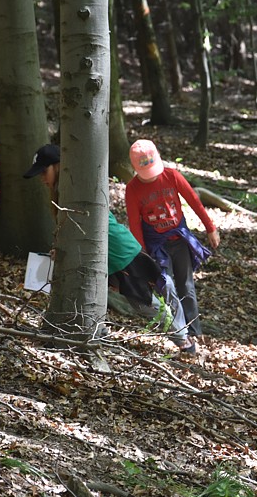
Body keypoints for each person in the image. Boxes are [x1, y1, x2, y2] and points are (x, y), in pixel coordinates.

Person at [23, 144, 196, 353]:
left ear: (58, 166)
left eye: (44, 171)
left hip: (121, 252)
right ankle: (177, 336)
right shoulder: (62, 194)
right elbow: (70, 230)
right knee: (153, 294)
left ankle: (182, 338)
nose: (42, 178)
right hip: (112, 256)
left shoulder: (75, 190)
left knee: (151, 299)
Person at [125, 139, 220, 346]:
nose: (152, 177)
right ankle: (180, 334)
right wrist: (143, 254)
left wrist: (210, 228)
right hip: (156, 246)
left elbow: (194, 201)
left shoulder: (171, 176)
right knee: (166, 286)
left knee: (186, 285)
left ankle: (195, 330)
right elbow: (135, 223)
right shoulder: (132, 189)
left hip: (179, 238)